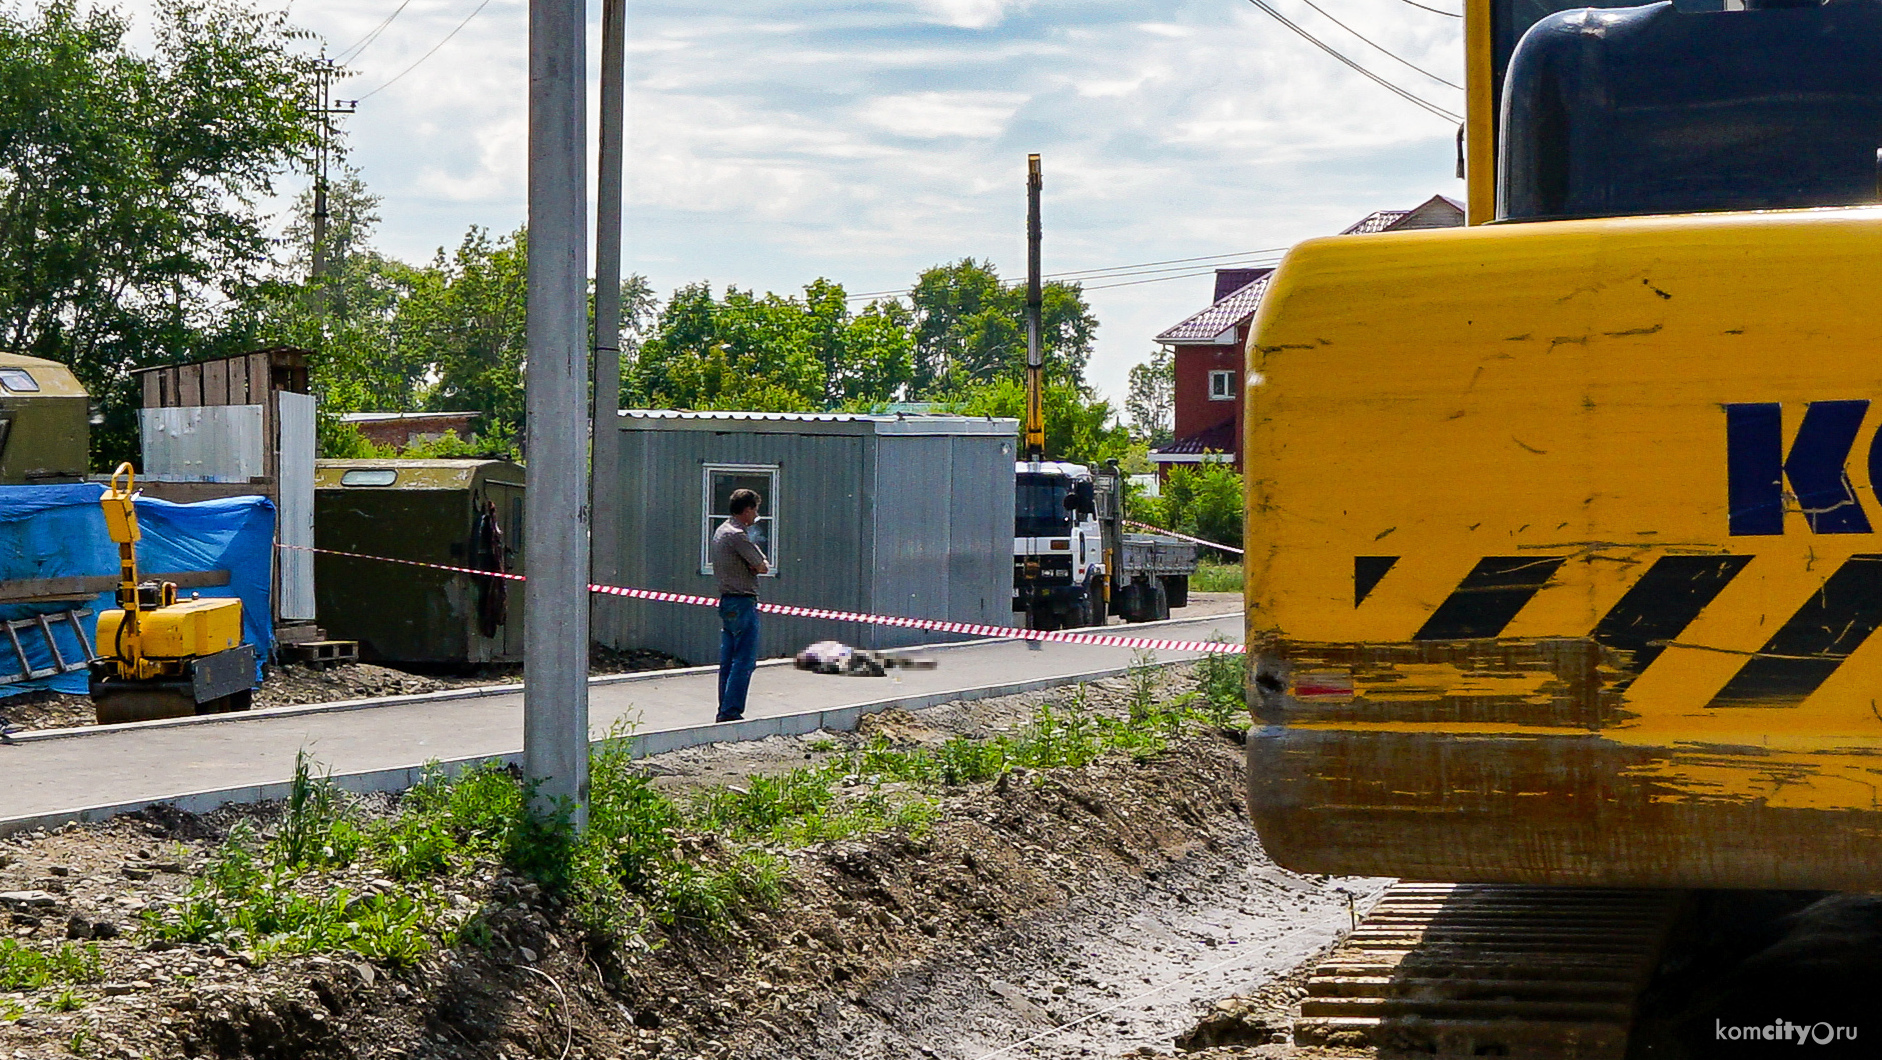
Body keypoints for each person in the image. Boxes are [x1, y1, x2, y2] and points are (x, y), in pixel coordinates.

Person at [711, 488, 769, 722]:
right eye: (755, 509)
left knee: (728, 660)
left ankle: (724, 707)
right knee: (744, 660)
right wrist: (758, 563)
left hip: (728, 601)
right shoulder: (737, 535)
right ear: (746, 510)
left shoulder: (721, 531)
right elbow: (762, 565)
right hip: (742, 601)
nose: (756, 514)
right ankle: (731, 710)